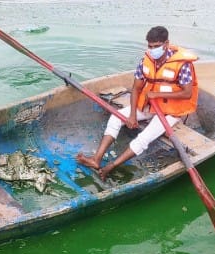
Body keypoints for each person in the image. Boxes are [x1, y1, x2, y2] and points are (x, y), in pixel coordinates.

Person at [76, 26, 198, 179]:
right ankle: (96, 159)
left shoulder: (183, 64)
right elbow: (136, 89)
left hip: (172, 111)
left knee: (144, 138)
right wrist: (132, 115)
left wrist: (156, 94)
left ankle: (111, 166)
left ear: (166, 44)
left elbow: (187, 93)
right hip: (150, 105)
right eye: (150, 46)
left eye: (156, 46)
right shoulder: (146, 61)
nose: (152, 50)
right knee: (116, 117)